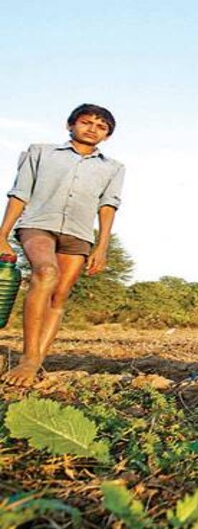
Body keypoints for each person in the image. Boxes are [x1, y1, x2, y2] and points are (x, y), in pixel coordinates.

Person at [0, 104, 124, 387]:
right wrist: (2, 235)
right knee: (45, 272)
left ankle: (37, 361)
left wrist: (101, 247)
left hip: (78, 234)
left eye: (101, 126)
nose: (92, 128)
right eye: (86, 122)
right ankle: (28, 359)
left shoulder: (113, 168)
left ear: (107, 136)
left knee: (59, 297)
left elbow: (108, 206)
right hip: (38, 224)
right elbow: (20, 193)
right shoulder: (40, 152)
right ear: (70, 125)